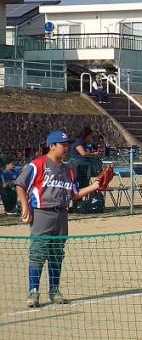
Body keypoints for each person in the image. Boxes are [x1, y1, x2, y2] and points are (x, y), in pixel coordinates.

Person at [15, 130, 104, 307]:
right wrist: (25, 206)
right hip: (42, 213)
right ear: (52, 146)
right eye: (63, 145)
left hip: (62, 214)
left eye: (67, 145)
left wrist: (95, 186)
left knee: (56, 253)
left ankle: (54, 290)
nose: (66, 148)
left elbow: (74, 194)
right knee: (38, 252)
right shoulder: (38, 164)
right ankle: (33, 291)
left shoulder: (67, 170)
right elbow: (20, 184)